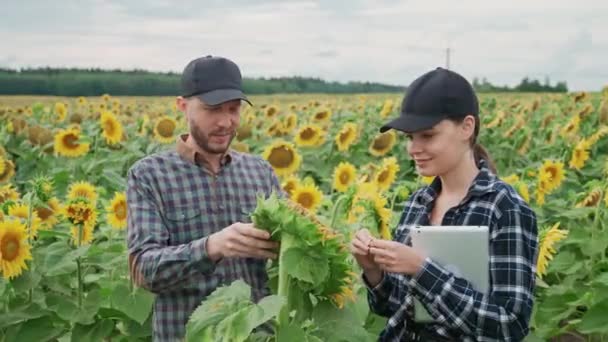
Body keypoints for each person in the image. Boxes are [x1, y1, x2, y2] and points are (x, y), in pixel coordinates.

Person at [350, 67, 538, 341]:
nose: (413, 148)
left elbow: (509, 327)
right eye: (410, 137)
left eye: (427, 135)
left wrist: (422, 269)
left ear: (467, 127)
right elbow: (395, 308)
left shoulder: (504, 208)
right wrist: (373, 270)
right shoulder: (418, 203)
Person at [127, 55, 282, 341]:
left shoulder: (260, 172)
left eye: (233, 109)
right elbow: (142, 269)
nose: (226, 122)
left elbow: (287, 251)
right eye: (213, 110)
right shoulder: (150, 175)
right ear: (183, 107)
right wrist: (211, 247)